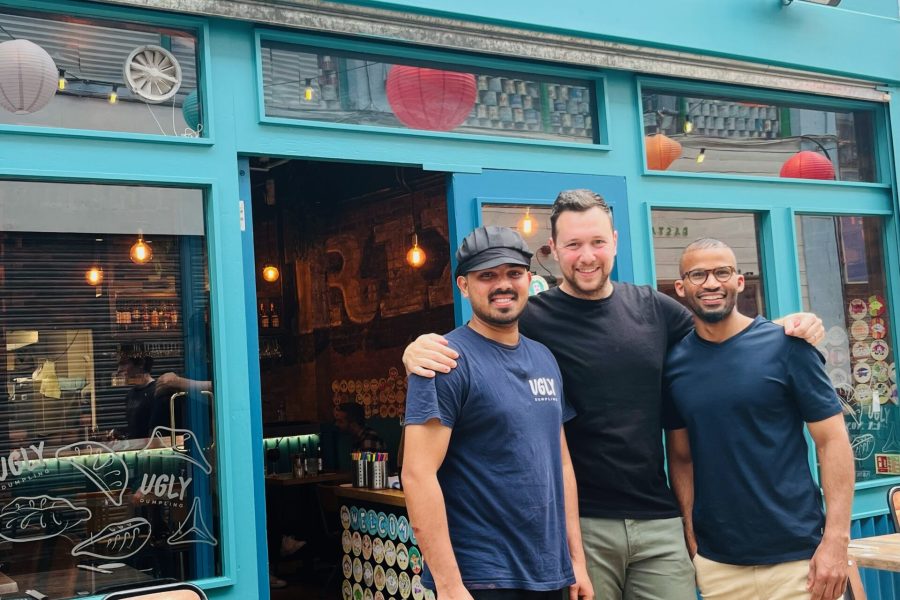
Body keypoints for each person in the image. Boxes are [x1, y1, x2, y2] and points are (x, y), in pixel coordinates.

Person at [403, 189, 825, 600]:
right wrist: (414, 352)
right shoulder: (529, 319)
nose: (587, 256)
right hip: (581, 527)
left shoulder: (654, 310)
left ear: (615, 242)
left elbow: (722, 332)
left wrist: (785, 327)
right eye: (573, 244)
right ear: (553, 249)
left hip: (658, 518)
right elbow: (481, 337)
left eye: (597, 242)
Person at [402, 225, 592, 600]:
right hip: (482, 580)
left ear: (530, 280)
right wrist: (450, 585)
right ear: (463, 285)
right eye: (487, 275)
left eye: (513, 273)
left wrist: (576, 562)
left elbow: (562, 466)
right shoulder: (445, 361)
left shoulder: (544, 358)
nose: (502, 284)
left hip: (549, 573)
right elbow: (417, 475)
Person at [663, 238, 854, 600]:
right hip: (719, 566)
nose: (711, 283)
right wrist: (690, 532)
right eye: (698, 274)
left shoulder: (788, 347)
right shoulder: (674, 365)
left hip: (799, 559)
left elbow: (832, 442)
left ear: (739, 281)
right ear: (681, 286)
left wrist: (836, 540)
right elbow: (681, 457)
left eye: (722, 272)